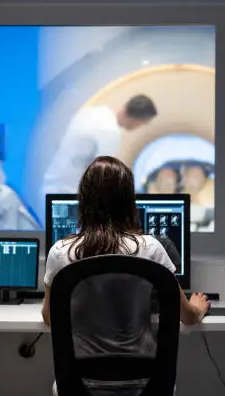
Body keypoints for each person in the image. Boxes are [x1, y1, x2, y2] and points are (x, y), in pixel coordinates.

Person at [42, 156, 210, 395]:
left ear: (84, 200)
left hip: (81, 388)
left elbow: (50, 317)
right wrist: (198, 306)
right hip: (144, 387)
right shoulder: (151, 248)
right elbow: (187, 316)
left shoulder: (61, 252)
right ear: (129, 201)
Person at [42, 95, 158, 194]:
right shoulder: (111, 132)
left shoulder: (91, 112)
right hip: (66, 192)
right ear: (137, 120)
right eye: (143, 123)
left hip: (50, 181)